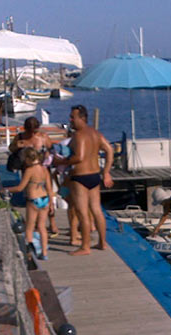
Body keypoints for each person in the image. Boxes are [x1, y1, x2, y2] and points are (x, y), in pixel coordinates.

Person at [53, 105, 113, 255]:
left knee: (82, 212)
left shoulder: (78, 135)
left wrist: (60, 161)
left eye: (72, 117)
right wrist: (106, 172)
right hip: (94, 176)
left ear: (82, 118)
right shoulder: (96, 133)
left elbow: (78, 157)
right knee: (96, 210)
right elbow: (109, 150)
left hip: (80, 177)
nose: (70, 120)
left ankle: (85, 247)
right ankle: (102, 242)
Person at [9, 117, 58, 235]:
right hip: (27, 171)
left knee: (48, 195)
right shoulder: (20, 137)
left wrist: (48, 154)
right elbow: (11, 149)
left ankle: (52, 223)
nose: (32, 134)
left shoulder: (43, 137)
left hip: (43, 170)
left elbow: (52, 150)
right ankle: (34, 223)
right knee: (30, 197)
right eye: (30, 131)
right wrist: (17, 145)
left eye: (34, 131)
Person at [4, 147, 54, 260]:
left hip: (33, 199)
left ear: (27, 159)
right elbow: (49, 188)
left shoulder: (30, 170)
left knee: (29, 228)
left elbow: (20, 188)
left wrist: (5, 189)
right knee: (42, 227)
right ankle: (44, 252)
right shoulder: (44, 169)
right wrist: (51, 203)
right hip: (45, 198)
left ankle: (30, 253)